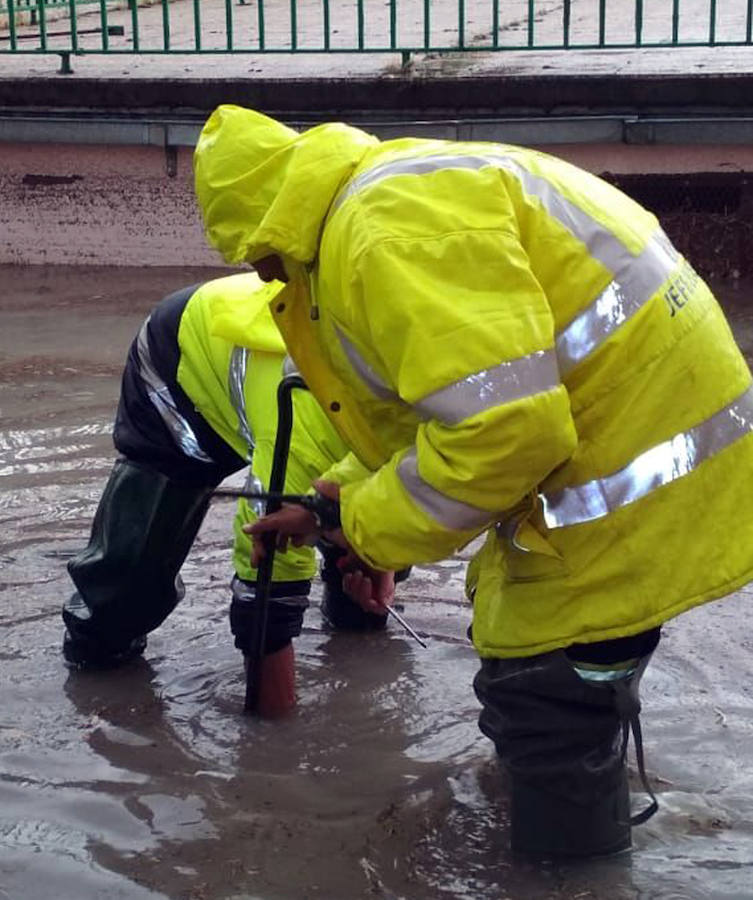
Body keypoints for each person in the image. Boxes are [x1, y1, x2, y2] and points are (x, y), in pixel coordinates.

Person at [192, 105, 753, 856]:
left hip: (622, 490)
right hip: (656, 456)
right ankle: (570, 809)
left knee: (542, 700)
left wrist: (362, 528)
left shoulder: (381, 237)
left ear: (272, 228)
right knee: (571, 694)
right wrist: (330, 499)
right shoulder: (400, 189)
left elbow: (506, 434)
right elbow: (459, 402)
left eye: (261, 259)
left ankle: (567, 872)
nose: (265, 276)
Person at [63, 271, 392, 718]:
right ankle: (93, 669)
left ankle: (353, 612)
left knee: (365, 593)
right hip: (182, 364)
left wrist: (379, 557)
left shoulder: (431, 412)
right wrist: (271, 741)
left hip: (322, 400)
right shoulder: (305, 433)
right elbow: (265, 567)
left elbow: (413, 496)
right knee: (126, 588)